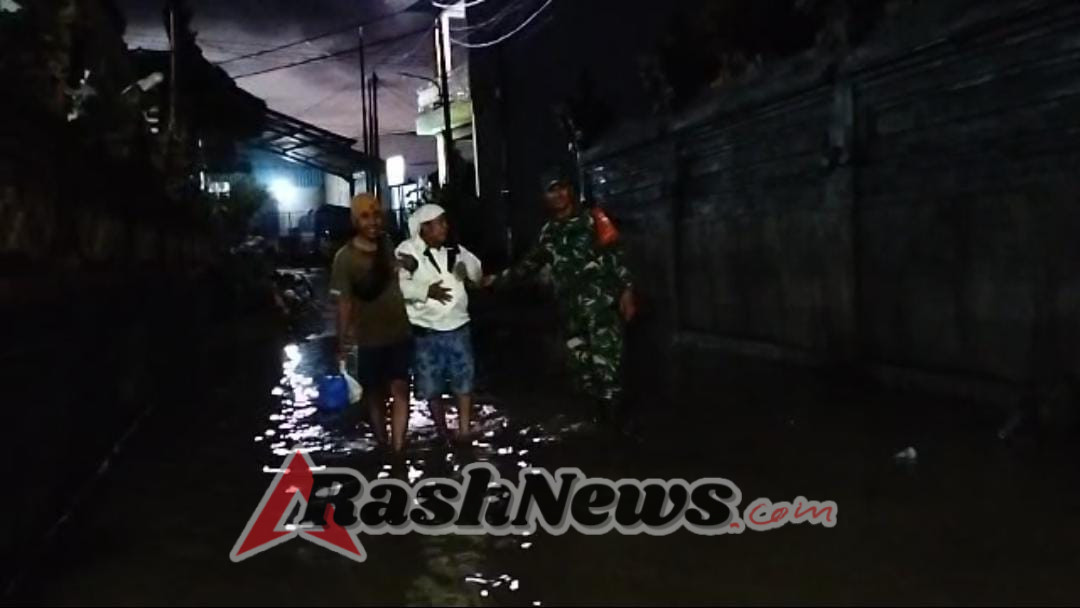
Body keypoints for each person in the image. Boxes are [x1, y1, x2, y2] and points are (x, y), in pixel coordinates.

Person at [484, 178, 636, 425]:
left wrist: (627, 292)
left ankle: (614, 430)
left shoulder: (593, 219)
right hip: (571, 311)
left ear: (571, 191)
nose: (558, 195)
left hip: (601, 307)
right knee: (582, 371)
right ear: (544, 198)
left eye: (562, 188)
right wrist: (495, 280)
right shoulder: (549, 233)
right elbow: (528, 266)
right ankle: (597, 423)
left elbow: (617, 255)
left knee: (608, 367)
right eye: (551, 190)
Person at [330, 193, 412, 453]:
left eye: (376, 215)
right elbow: (344, 304)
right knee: (375, 395)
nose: (373, 221)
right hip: (368, 338)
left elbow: (407, 268)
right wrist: (342, 344)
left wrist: (406, 264)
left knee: (401, 389)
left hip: (399, 332)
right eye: (365, 216)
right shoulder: (344, 258)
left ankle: (398, 449)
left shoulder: (389, 245)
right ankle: (383, 441)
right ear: (355, 220)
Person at [396, 204, 484, 443]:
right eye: (440, 223)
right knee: (430, 385)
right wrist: (426, 291)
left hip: (458, 327)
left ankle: (464, 429)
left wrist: (469, 271)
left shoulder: (455, 249)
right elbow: (399, 285)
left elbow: (477, 272)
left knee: (463, 380)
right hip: (426, 331)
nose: (445, 227)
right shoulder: (407, 251)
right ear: (425, 227)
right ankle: (442, 428)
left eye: (445, 222)